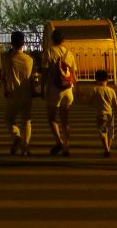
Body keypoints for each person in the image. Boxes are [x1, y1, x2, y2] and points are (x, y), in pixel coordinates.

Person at [44, 28, 78, 156]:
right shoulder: (69, 54)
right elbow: (73, 73)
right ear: (63, 40)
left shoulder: (49, 52)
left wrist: (41, 88)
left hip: (54, 90)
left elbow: (45, 72)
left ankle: (58, 142)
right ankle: (66, 146)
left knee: (52, 118)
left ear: (52, 39)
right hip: (68, 90)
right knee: (65, 121)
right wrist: (77, 88)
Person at [0, 30, 34, 156]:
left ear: (11, 42)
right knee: (26, 121)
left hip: (13, 94)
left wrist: (5, 89)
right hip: (26, 93)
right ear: (23, 43)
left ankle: (16, 136)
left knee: (9, 119)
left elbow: (3, 76)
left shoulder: (7, 58)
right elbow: (30, 78)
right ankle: (26, 146)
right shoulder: (29, 60)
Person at [91, 69, 117, 157]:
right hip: (110, 114)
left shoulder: (96, 89)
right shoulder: (111, 90)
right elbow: (116, 105)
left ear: (97, 79)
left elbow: (91, 101)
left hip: (100, 114)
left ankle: (106, 149)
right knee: (111, 132)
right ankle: (109, 147)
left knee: (103, 132)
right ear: (107, 79)